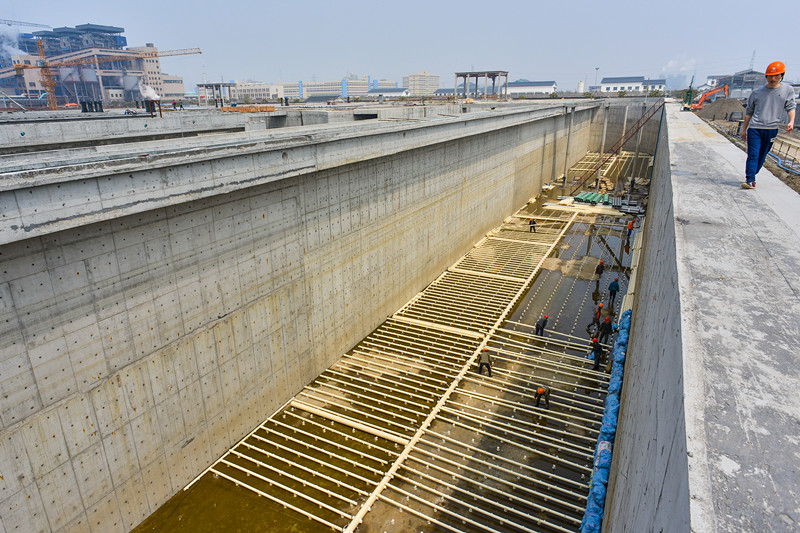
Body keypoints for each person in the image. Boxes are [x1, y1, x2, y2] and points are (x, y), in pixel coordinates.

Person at [740, 61, 796, 189]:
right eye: (770, 76)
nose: (773, 78)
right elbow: (749, 112)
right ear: (766, 76)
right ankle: (750, 179)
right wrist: (744, 130)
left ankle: (753, 174)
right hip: (755, 128)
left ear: (782, 75)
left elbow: (790, 107)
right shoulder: (757, 93)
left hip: (771, 129)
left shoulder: (787, 90)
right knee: (753, 154)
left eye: (776, 75)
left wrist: (791, 121)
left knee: (762, 156)